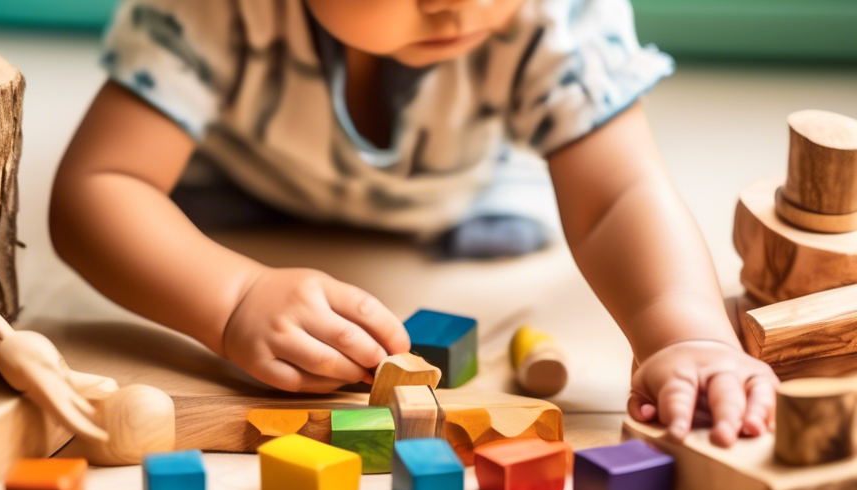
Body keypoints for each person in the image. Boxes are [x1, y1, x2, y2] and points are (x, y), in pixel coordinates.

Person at [50, 0, 779, 448]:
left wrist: (686, 335)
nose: (458, 2)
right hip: (238, 184)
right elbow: (98, 189)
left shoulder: (555, 13)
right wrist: (232, 294)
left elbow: (620, 193)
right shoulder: (209, 7)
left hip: (460, 199)